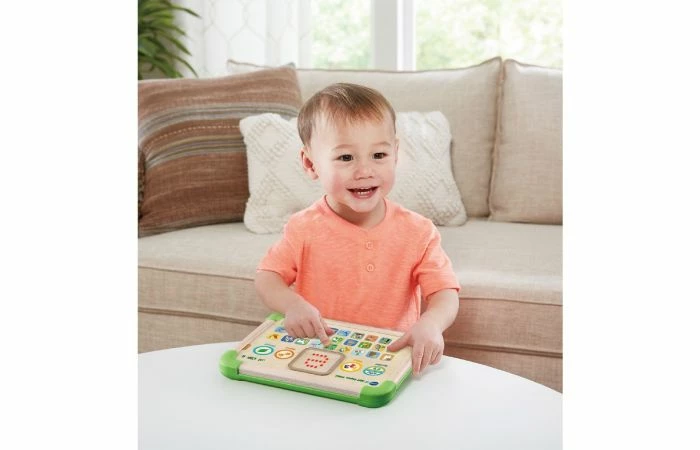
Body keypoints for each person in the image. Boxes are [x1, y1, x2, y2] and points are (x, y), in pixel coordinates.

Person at [254, 83, 460, 375]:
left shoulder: (419, 232)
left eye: (379, 155)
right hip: (318, 358)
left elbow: (444, 292)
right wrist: (292, 305)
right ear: (310, 164)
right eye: (346, 158)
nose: (365, 171)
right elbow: (267, 277)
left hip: (387, 362)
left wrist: (431, 324)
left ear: (396, 154)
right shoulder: (303, 228)